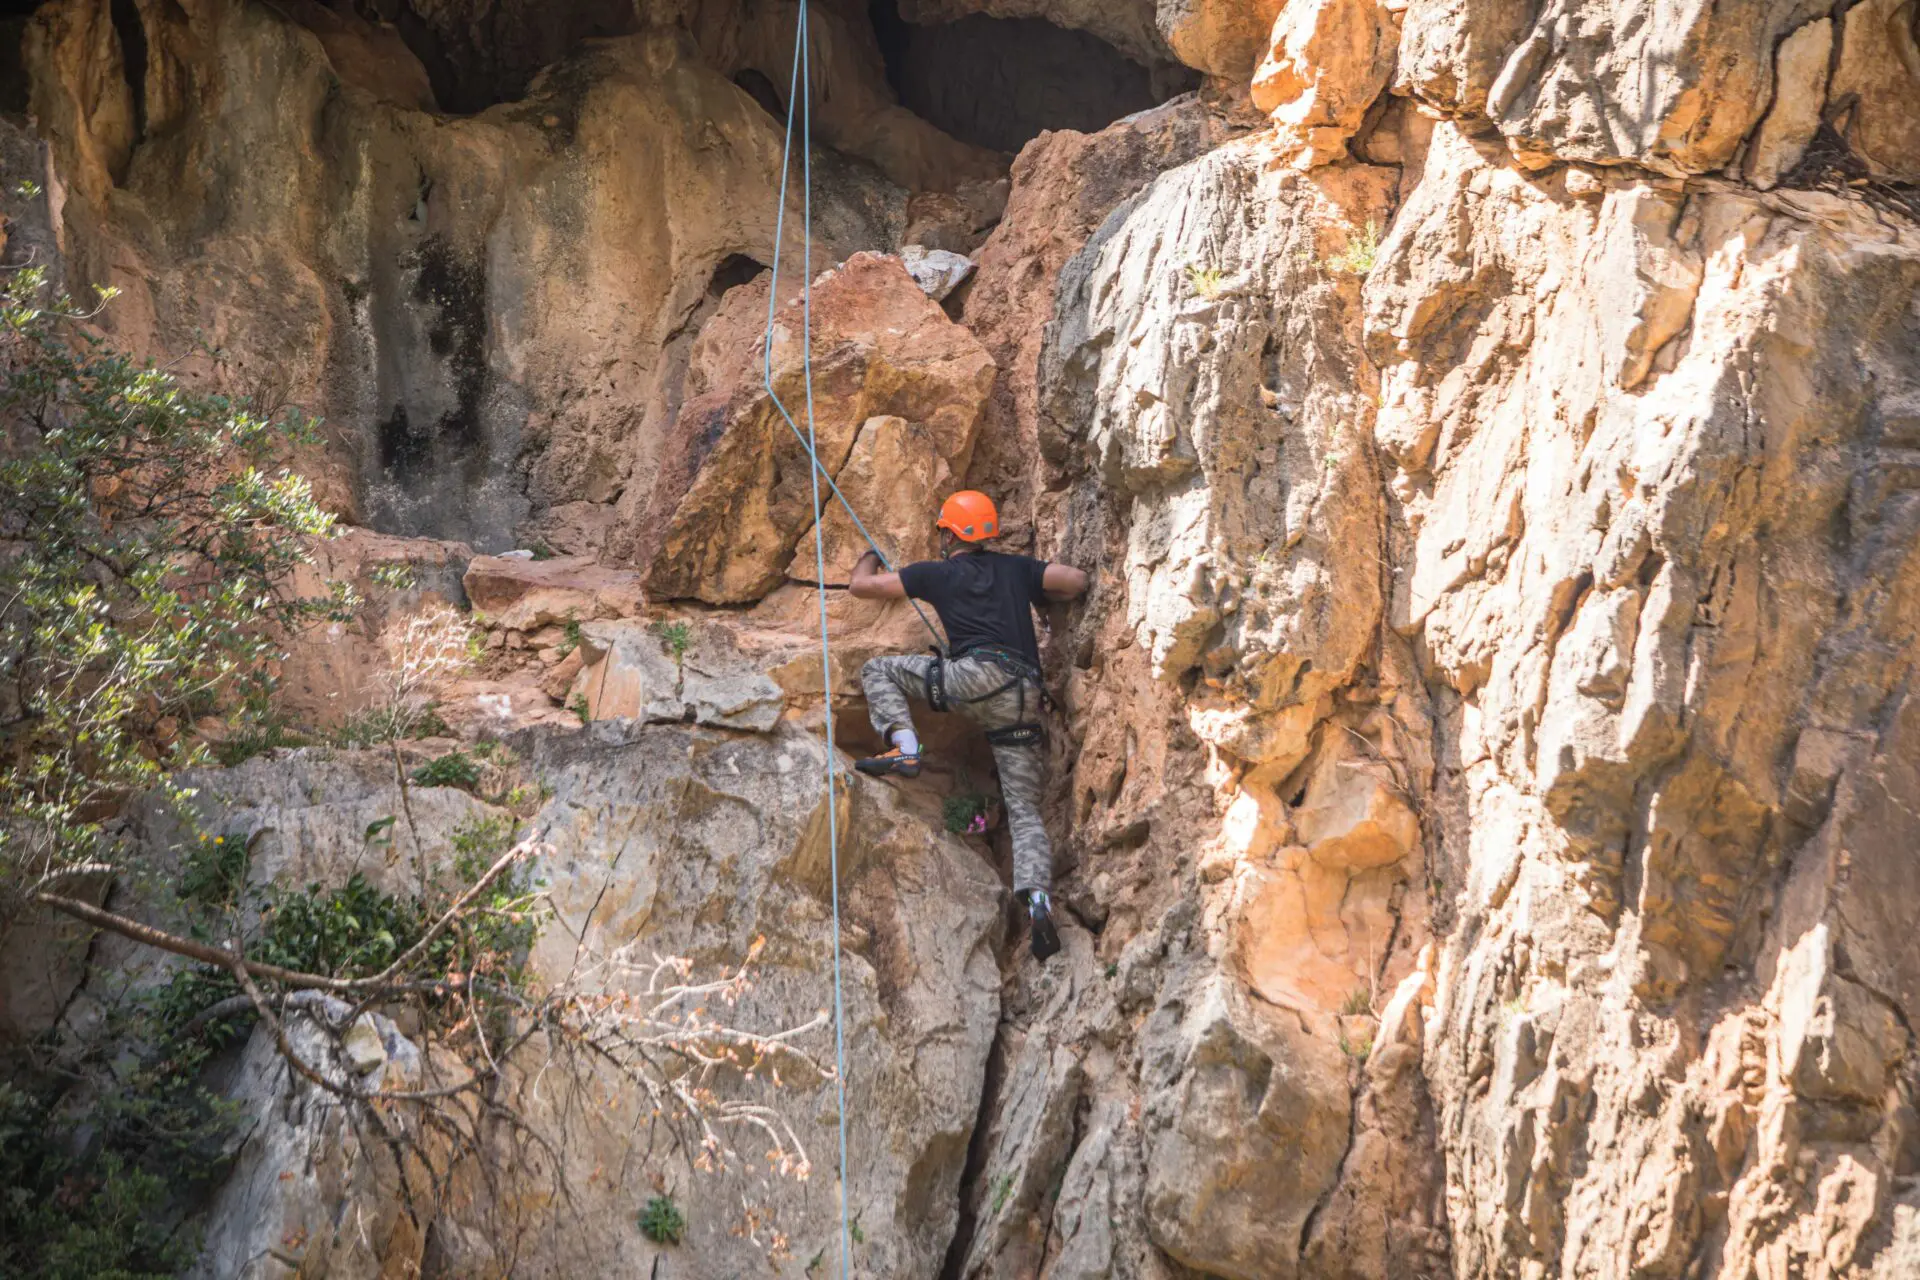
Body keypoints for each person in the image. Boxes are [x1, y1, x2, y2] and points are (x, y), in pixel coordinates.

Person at [848, 490, 1090, 961]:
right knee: (1023, 811)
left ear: (947, 533)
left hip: (975, 678)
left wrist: (867, 556)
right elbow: (1076, 580)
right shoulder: (1015, 569)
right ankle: (1039, 899)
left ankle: (904, 745)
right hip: (1023, 698)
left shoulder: (935, 574)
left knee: (879, 670)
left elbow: (864, 587)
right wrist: (1036, 589)